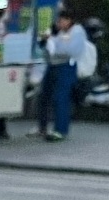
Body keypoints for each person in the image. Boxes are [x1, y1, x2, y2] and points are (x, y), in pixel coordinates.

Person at [37, 13, 86, 141]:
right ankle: (42, 128)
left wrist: (54, 43)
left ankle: (60, 130)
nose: (59, 23)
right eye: (58, 21)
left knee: (61, 97)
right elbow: (44, 46)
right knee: (44, 96)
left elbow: (70, 50)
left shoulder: (77, 32)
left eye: (62, 21)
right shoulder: (57, 31)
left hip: (66, 66)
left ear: (69, 20)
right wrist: (46, 39)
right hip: (52, 65)